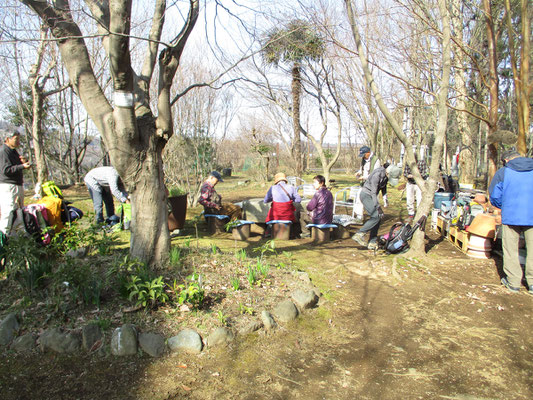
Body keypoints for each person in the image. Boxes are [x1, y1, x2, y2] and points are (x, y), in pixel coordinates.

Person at [489, 149, 533, 294]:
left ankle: (514, 282)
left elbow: (495, 194)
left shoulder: (504, 172)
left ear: (507, 160)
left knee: (510, 249)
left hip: (511, 215)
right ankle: (532, 283)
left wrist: (504, 205)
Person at [352, 163, 390, 250]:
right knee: (376, 215)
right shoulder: (377, 174)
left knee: (378, 217)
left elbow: (383, 187)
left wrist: (385, 198)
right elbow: (373, 192)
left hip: (372, 196)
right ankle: (359, 234)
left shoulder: (386, 175)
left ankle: (372, 242)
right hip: (366, 195)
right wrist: (378, 207)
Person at [0, 131, 32, 235]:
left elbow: (15, 166)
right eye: (16, 139)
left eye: (18, 139)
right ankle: (4, 238)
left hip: (17, 184)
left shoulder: (13, 151)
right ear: (8, 139)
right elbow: (6, 170)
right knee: (9, 213)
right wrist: (22, 166)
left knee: (19, 212)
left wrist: (22, 162)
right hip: (8, 186)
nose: (18, 141)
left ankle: (15, 239)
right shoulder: (4, 151)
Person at [354, 146, 384, 224]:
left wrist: (364, 177)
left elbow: (375, 174)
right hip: (364, 184)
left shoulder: (376, 160)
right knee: (359, 198)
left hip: (373, 184)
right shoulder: (363, 160)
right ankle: (359, 217)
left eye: (364, 154)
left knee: (374, 200)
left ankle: (376, 217)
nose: (363, 156)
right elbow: (362, 169)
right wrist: (358, 172)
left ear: (368, 153)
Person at [403, 155, 428, 222]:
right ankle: (411, 215)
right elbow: (405, 173)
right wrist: (409, 176)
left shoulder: (422, 163)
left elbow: (424, 173)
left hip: (419, 184)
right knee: (409, 199)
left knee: (419, 199)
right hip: (410, 183)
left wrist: (416, 176)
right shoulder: (408, 164)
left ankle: (419, 215)